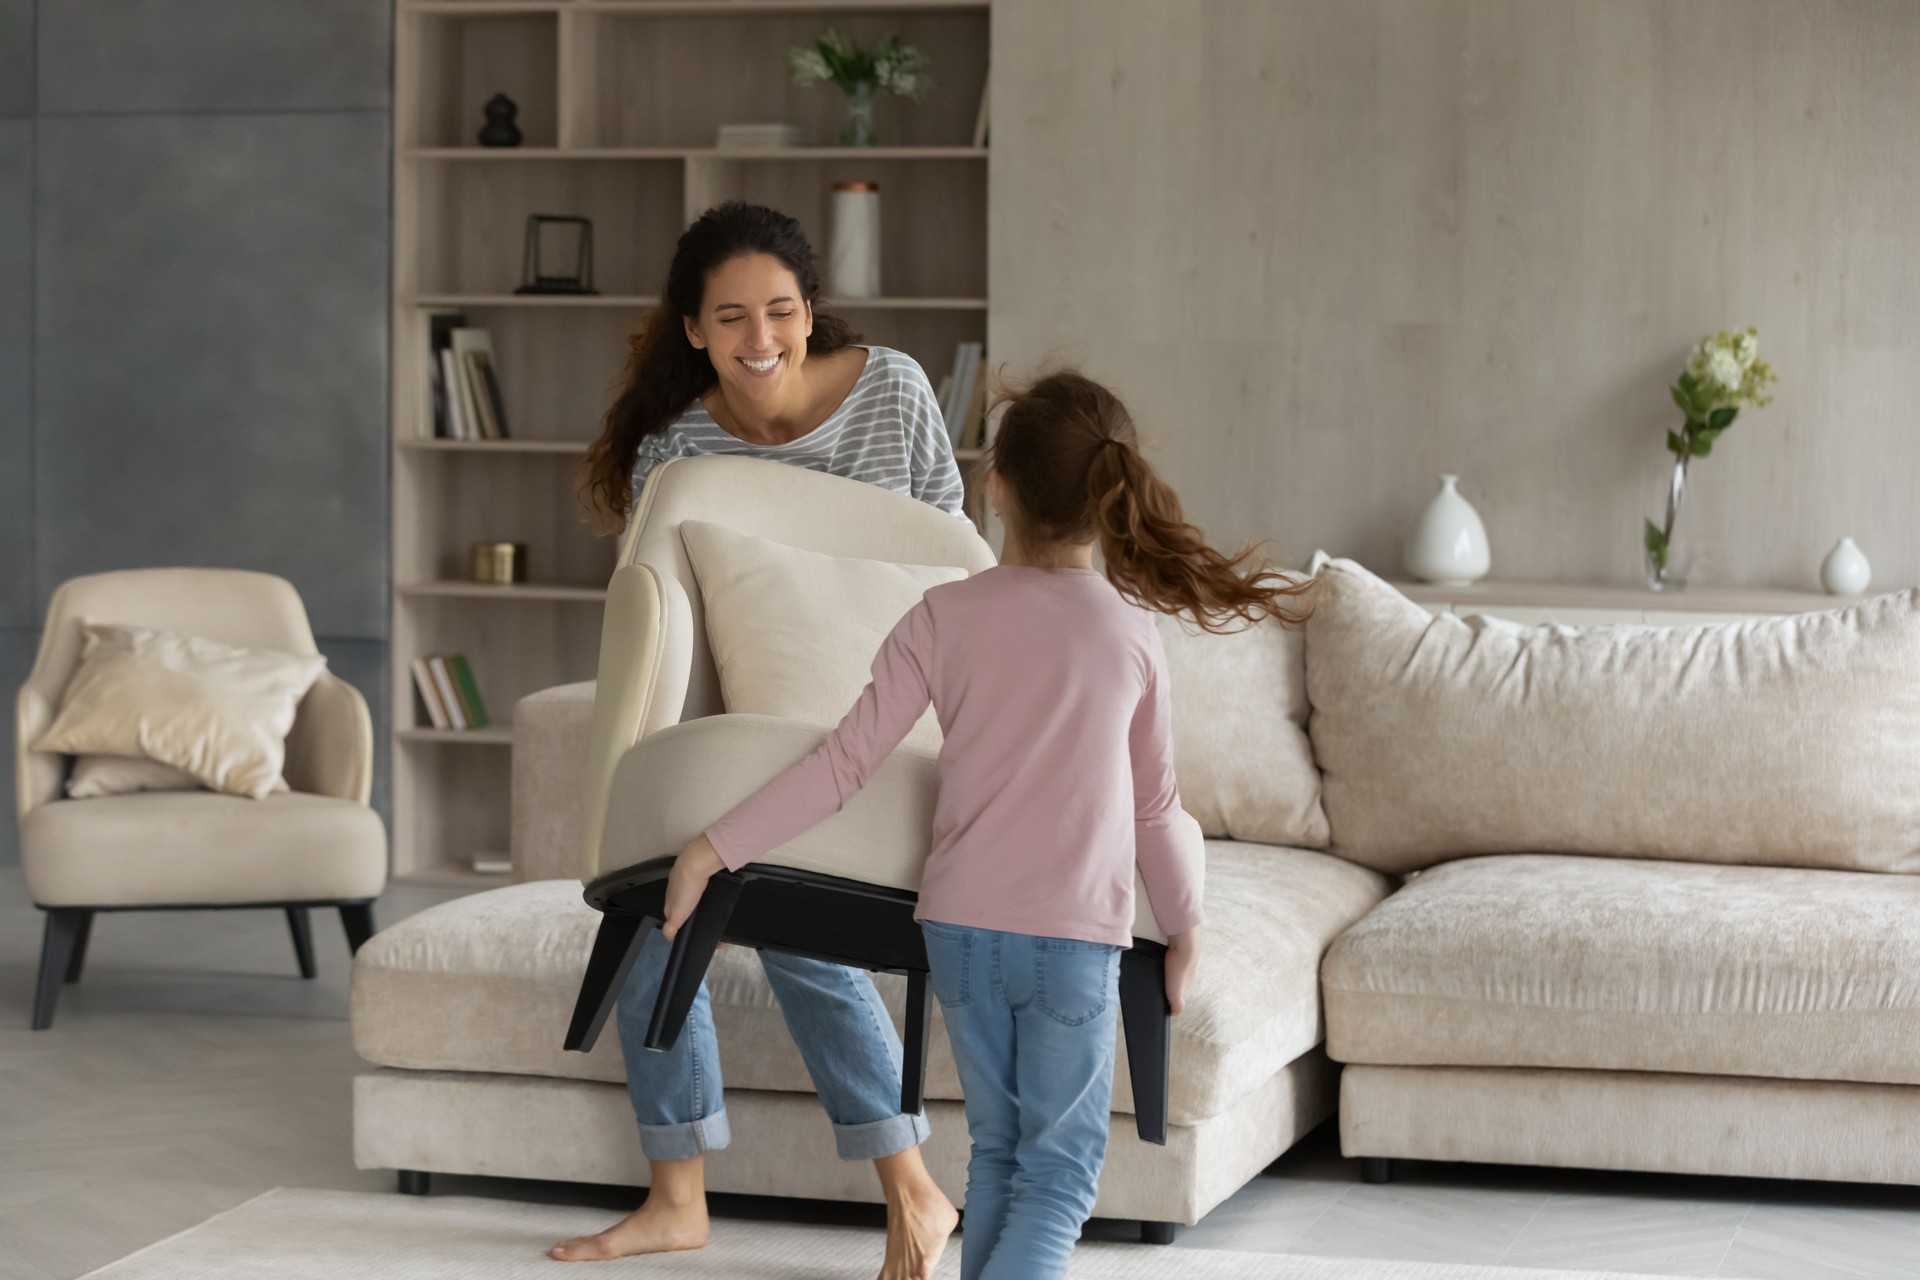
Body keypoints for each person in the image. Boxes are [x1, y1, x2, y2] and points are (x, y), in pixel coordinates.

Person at [656, 370, 1316, 1280]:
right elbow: (1155, 807)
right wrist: (1187, 927)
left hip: (961, 935)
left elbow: (842, 765)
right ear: (1108, 500)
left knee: (1000, 1157)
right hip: (1070, 940)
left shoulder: (942, 615)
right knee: (1061, 1177)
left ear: (995, 485)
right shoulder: (1128, 635)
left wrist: (709, 847)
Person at [556, 202, 968, 1277]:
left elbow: (954, 572)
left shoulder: (895, 392)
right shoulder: (677, 450)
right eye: (730, 316)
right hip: (743, 723)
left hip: (881, 732)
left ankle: (915, 1190)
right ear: (691, 328)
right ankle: (676, 1193)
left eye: (780, 310)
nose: (759, 339)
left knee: (775, 886)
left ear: (809, 309)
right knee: (665, 881)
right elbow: (664, 625)